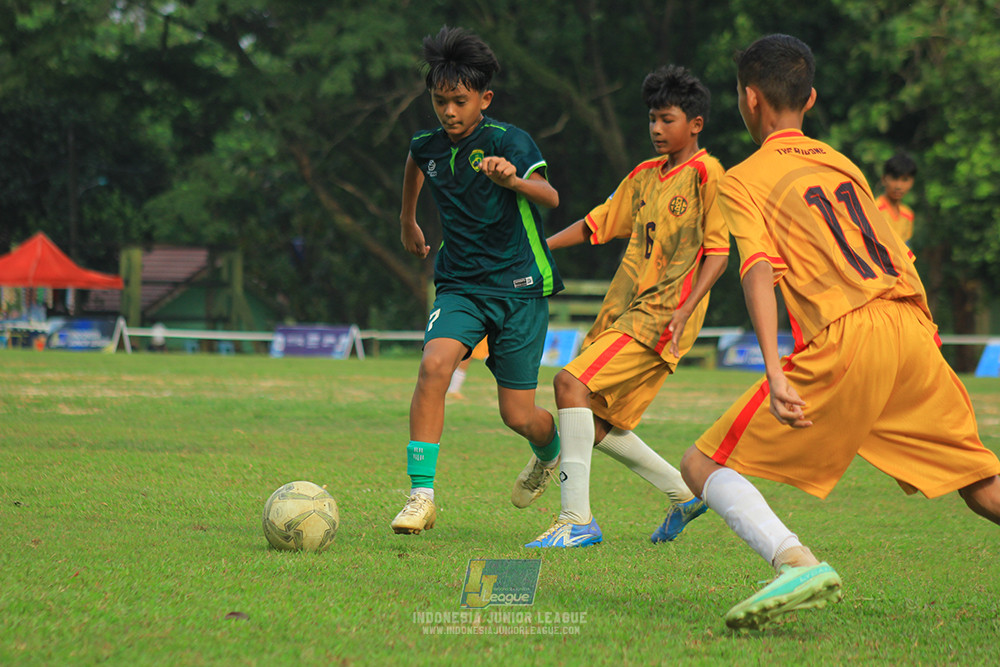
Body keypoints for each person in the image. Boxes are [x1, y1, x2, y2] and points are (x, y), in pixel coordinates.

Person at [679, 34, 1000, 630]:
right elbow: (898, 257)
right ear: (813, 98)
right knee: (982, 483)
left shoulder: (743, 177)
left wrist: (775, 370)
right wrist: (924, 341)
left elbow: (757, 270)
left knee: (700, 465)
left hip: (850, 333)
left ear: (750, 99)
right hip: (911, 326)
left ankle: (794, 561)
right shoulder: (843, 163)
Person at [525, 65, 729, 548]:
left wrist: (686, 309)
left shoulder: (708, 174)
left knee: (568, 383)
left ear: (695, 123)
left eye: (668, 119)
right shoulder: (642, 176)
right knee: (593, 423)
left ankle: (576, 520)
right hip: (625, 312)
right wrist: (536, 251)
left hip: (662, 316)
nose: (657, 129)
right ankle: (683, 495)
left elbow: (719, 253)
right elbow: (595, 225)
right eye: (653, 120)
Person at [391, 26, 564, 535]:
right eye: (440, 101)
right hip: (460, 286)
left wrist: (512, 180)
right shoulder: (427, 144)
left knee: (517, 414)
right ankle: (421, 495)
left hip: (519, 291)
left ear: (483, 99)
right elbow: (414, 163)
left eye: (459, 102)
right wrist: (407, 219)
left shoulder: (508, 140)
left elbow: (550, 196)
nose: (448, 112)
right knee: (433, 366)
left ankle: (548, 452)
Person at [875, 152, 917, 244]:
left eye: (905, 180)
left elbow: (906, 248)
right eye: (894, 178)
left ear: (912, 182)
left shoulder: (908, 215)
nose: (899, 186)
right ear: (884, 179)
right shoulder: (875, 210)